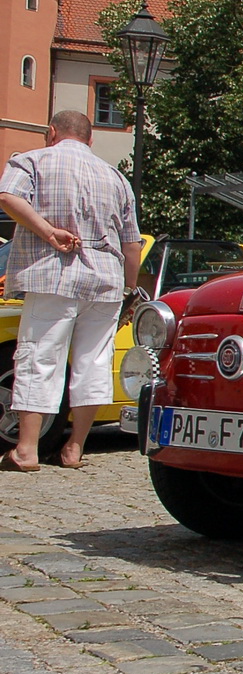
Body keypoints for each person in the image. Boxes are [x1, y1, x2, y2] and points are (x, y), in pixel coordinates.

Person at [0, 110, 143, 471]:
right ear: (90, 139)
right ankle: (75, 447)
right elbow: (132, 244)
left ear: (51, 132)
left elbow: (7, 197)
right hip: (106, 282)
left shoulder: (31, 161)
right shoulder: (115, 177)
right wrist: (130, 290)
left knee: (39, 357)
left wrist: (47, 231)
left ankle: (27, 450)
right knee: (93, 361)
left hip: (52, 276)